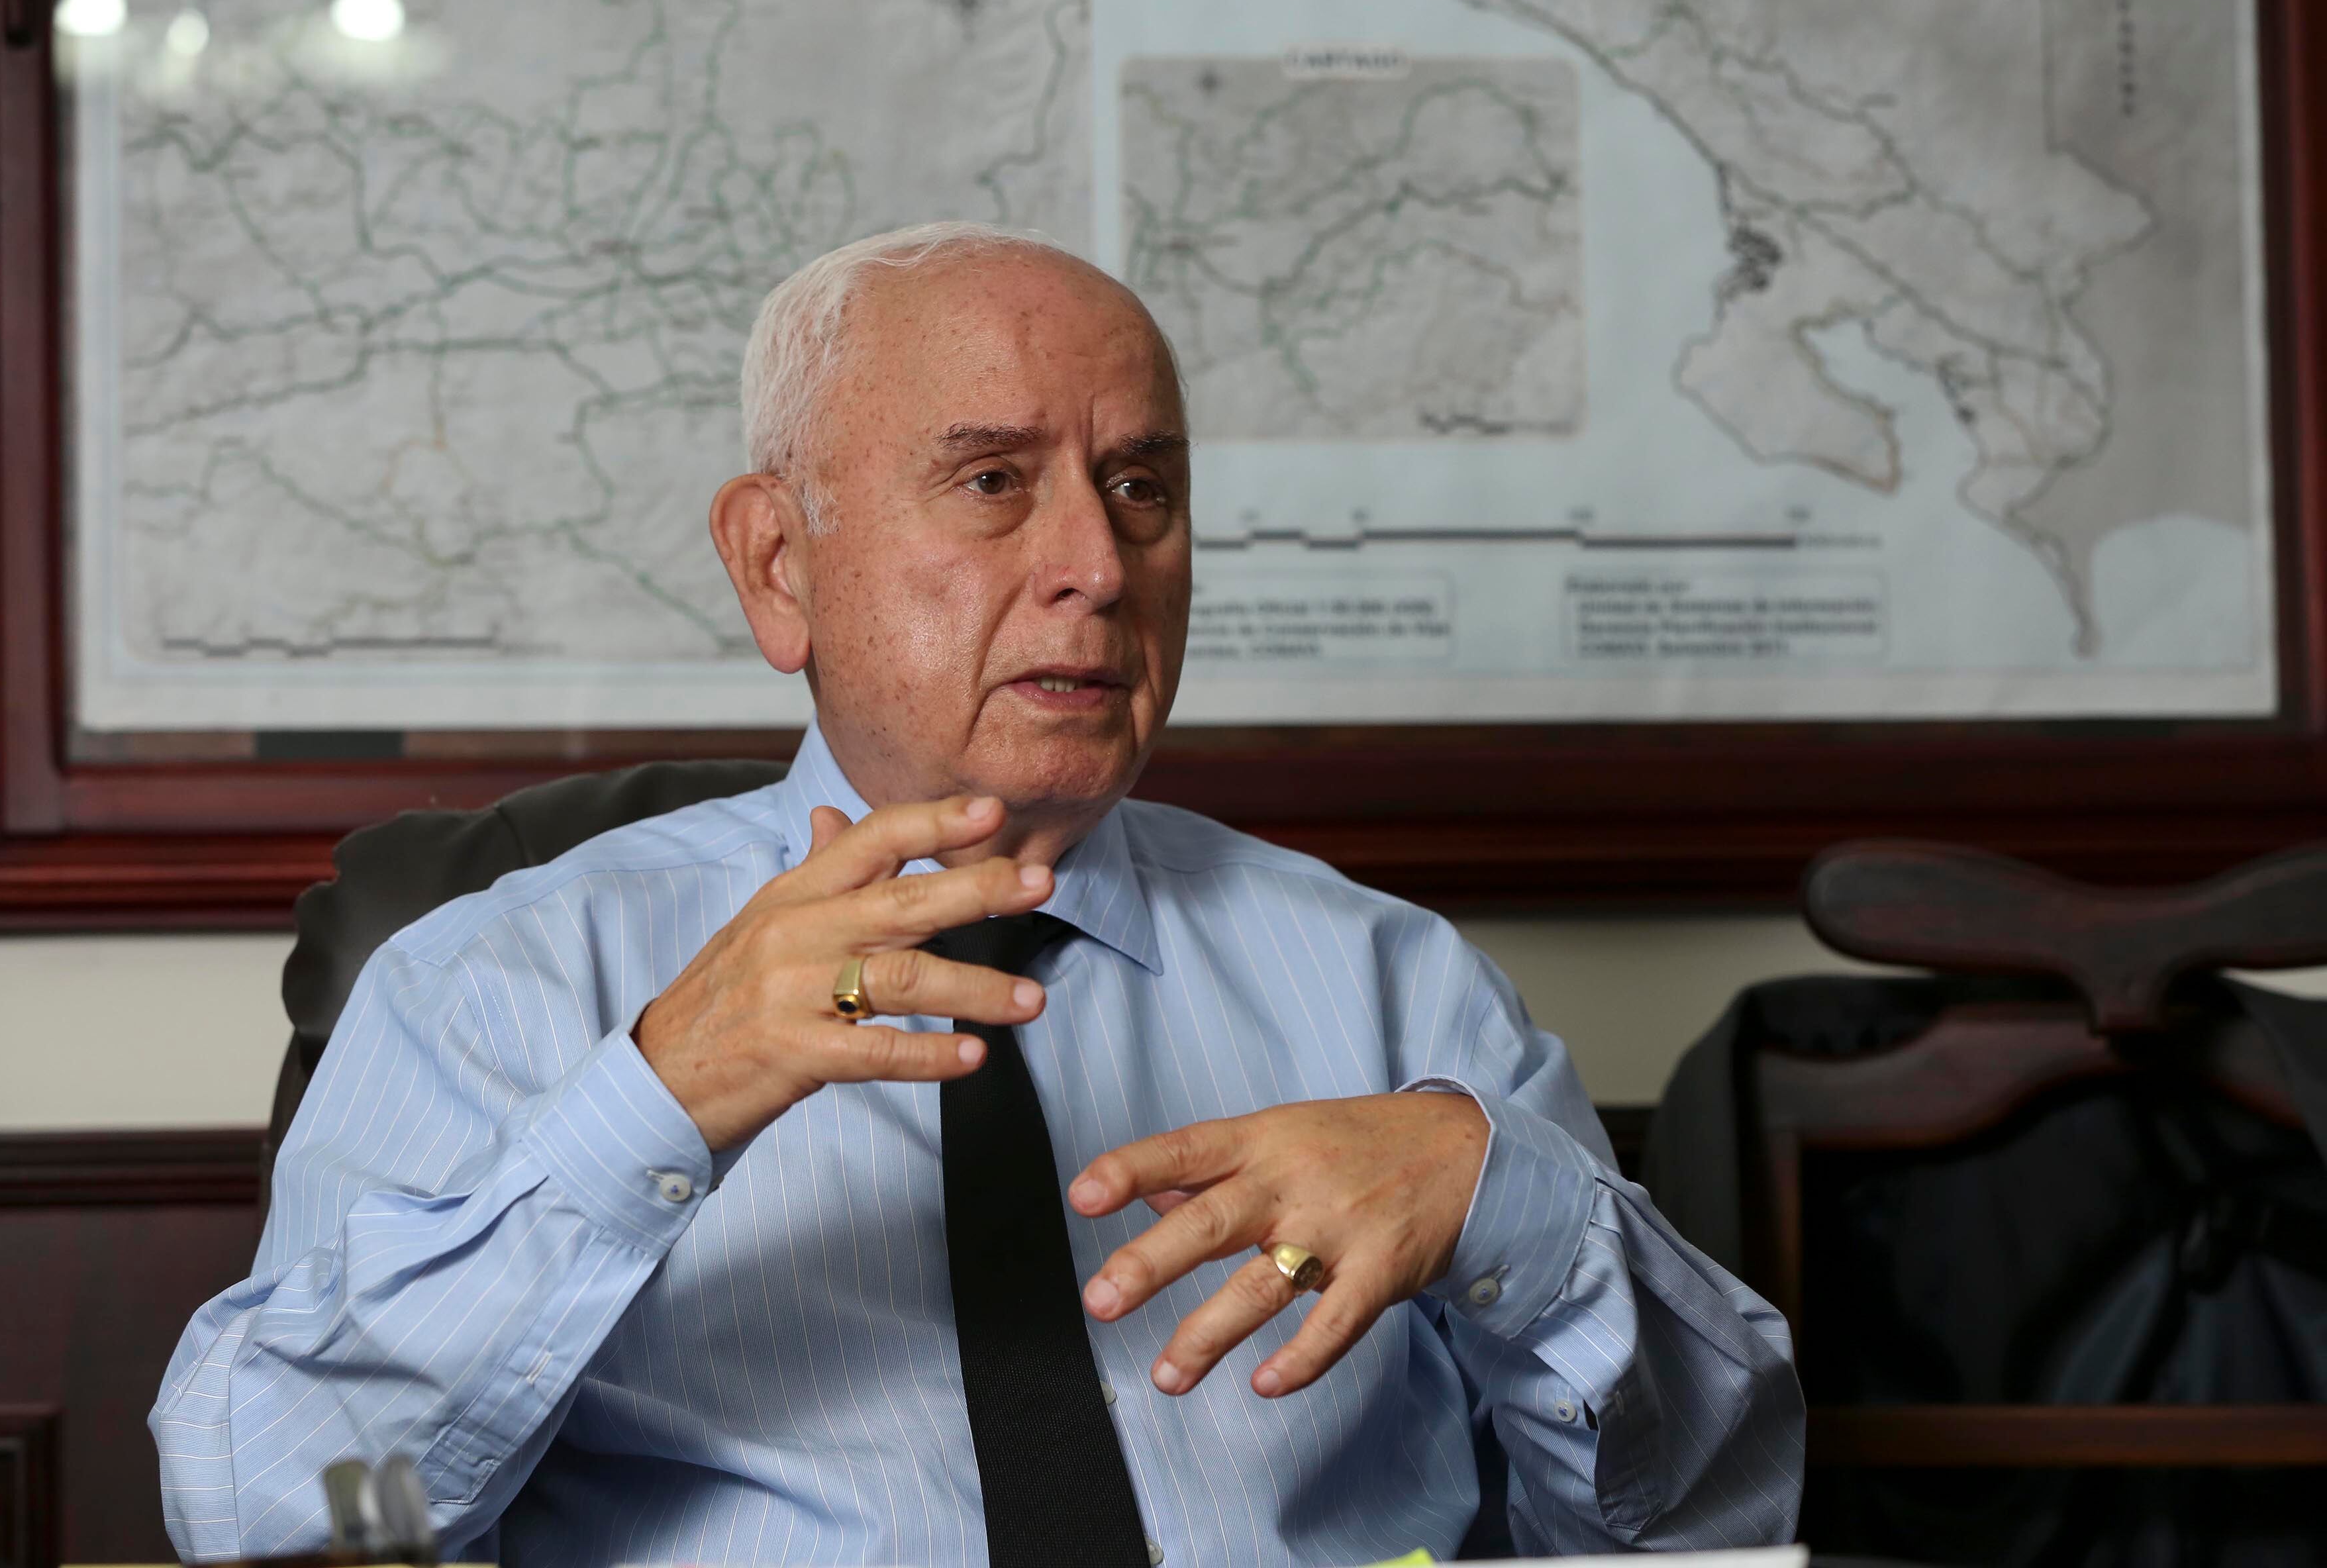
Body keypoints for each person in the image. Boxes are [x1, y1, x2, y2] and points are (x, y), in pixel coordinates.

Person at [154, 222, 1801, 1566]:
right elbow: (278, 1523)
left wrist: (1511, 1206)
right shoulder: (502, 979)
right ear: (780, 565)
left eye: (1140, 487)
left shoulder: (1395, 989)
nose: (1098, 564)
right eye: (995, 481)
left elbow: (1703, 1533)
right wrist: (648, 1104)